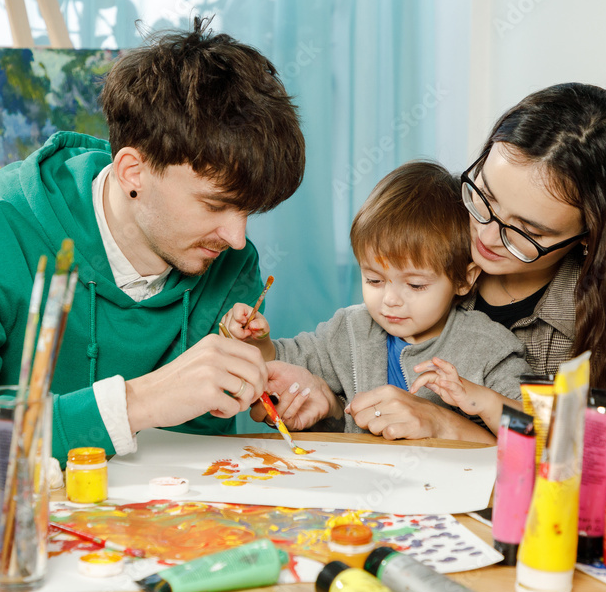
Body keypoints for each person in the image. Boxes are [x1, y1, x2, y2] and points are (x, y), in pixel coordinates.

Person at [0, 18, 328, 592]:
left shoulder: (227, 259)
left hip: (130, 555)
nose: (238, 237)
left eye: (248, 211)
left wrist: (245, 384)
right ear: (134, 170)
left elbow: (186, 466)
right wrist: (137, 401)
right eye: (217, 206)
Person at [322, 83, 606, 435]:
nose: (485, 237)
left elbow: (580, 466)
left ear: (591, 238)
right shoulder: (434, 245)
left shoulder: (596, 330)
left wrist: (445, 425)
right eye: (485, 197)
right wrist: (328, 406)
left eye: (528, 232)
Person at [223, 161, 531, 442]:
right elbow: (289, 361)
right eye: (374, 280)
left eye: (415, 285)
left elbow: (532, 431)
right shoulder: (349, 329)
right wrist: (258, 344)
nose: (390, 300)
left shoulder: (488, 346)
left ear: (465, 279)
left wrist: (477, 399)